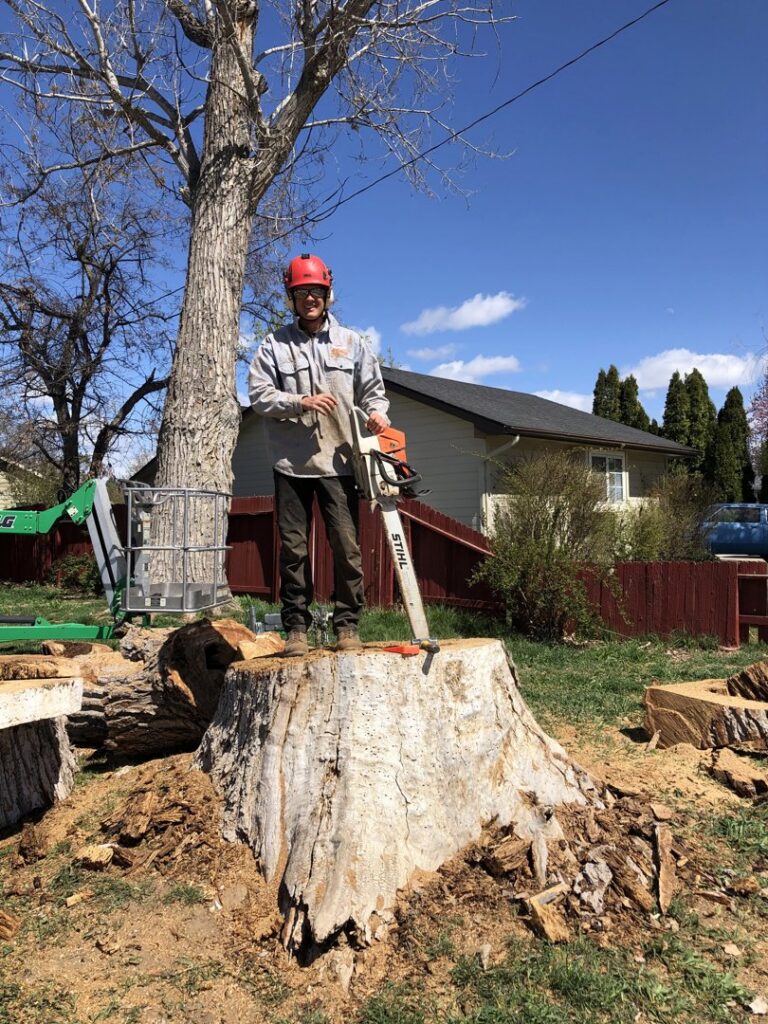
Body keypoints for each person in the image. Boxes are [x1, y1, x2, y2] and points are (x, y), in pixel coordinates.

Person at [248, 253, 390, 656]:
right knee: (293, 549)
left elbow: (373, 392)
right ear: (291, 297)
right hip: (291, 464)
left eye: (316, 291)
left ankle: (347, 625)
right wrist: (299, 402)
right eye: (301, 292)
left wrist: (377, 415)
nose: (309, 298)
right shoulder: (274, 345)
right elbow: (258, 395)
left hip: (340, 462)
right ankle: (296, 628)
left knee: (346, 546)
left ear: (327, 294)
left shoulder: (352, 343)